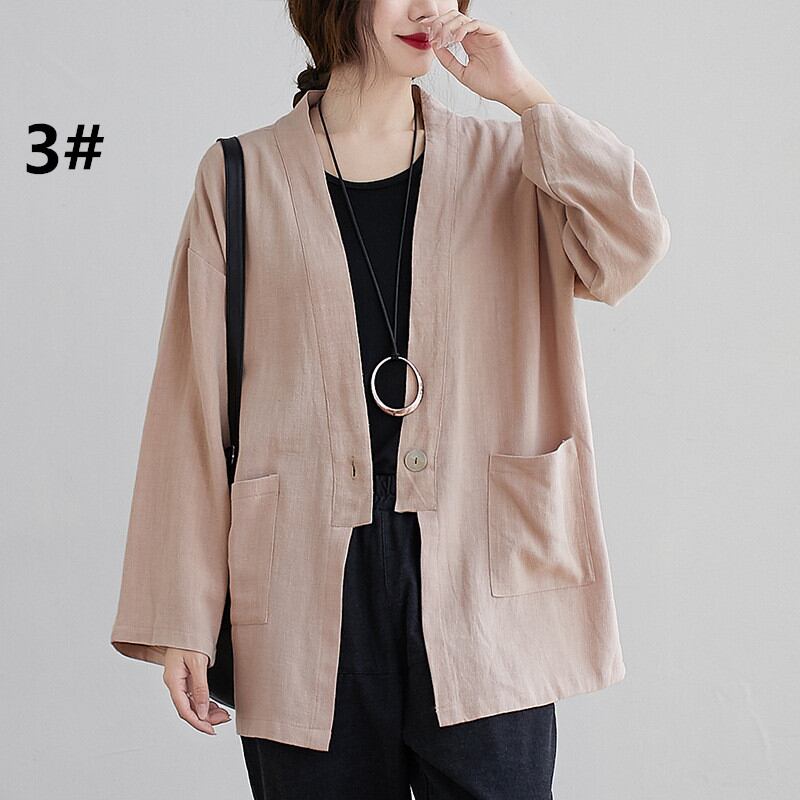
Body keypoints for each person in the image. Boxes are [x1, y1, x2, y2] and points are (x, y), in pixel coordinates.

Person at [110, 2, 671, 798]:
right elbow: (191, 406)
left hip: (481, 571)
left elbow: (630, 245)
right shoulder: (241, 175)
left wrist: (525, 98)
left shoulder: (512, 161)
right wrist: (182, 617)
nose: (427, 8)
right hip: (303, 583)